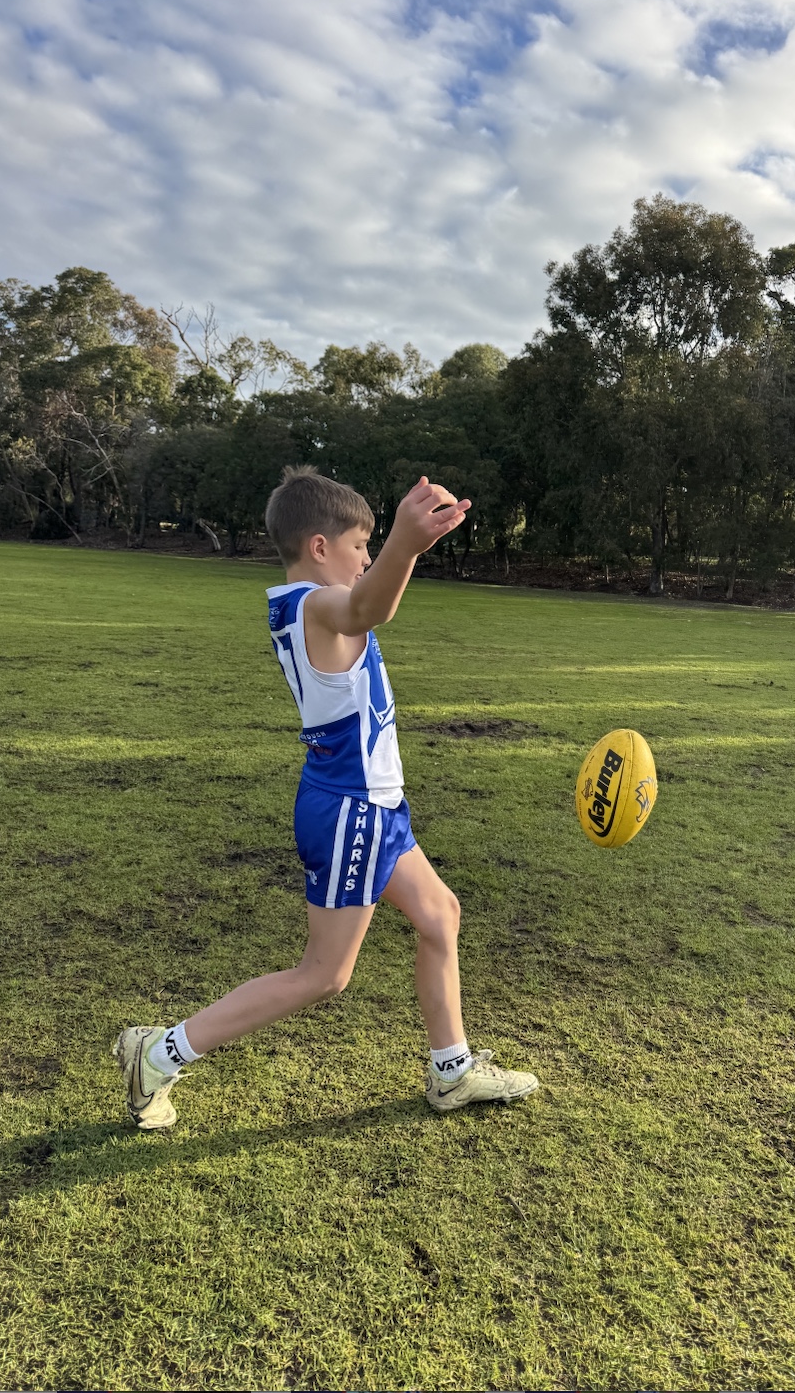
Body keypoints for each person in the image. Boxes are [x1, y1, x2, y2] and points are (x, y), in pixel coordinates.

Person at [114, 467, 539, 1129]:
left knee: (440, 916)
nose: (367, 559)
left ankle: (452, 1072)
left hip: (374, 807)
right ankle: (158, 1052)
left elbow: (363, 602)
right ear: (319, 546)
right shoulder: (314, 606)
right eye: (360, 546)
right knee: (324, 974)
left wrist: (398, 548)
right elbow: (366, 608)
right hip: (350, 811)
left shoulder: (306, 605)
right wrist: (406, 542)